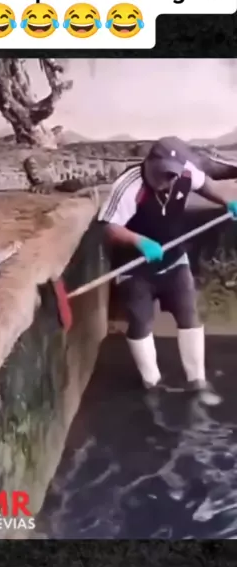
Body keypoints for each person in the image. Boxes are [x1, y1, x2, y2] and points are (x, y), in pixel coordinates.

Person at [98, 136, 237, 402]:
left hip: (174, 259)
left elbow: (206, 185)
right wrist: (139, 241)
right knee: (141, 321)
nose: (168, 180)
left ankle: (197, 380)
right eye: (162, 174)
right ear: (150, 163)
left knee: (189, 314)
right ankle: (152, 383)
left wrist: (226, 201)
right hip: (135, 266)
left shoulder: (186, 173)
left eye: (173, 175)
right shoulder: (129, 185)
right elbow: (109, 226)